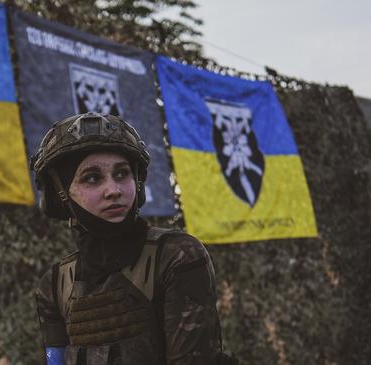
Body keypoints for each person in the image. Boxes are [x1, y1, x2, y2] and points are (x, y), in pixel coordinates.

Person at [30, 113, 235, 364]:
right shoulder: (55, 284)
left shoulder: (175, 256)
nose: (113, 190)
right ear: (59, 194)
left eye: (122, 174)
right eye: (92, 178)